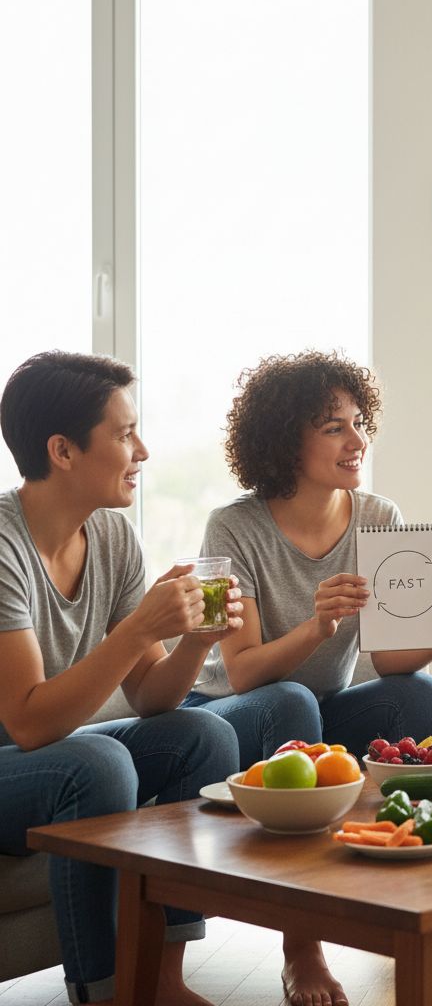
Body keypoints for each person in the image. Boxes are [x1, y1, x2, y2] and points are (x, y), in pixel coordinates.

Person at [182, 349, 432, 1006]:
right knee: (289, 705)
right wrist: (317, 627)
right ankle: (303, 945)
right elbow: (244, 667)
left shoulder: (378, 517)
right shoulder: (235, 527)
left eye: (357, 422)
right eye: (333, 426)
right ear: (287, 441)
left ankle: (424, 917)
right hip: (235, 707)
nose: (356, 440)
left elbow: (391, 663)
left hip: (324, 704)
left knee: (419, 695)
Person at [0, 351, 242, 1006]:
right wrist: (136, 628)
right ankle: (108, 993)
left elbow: (151, 696)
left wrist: (193, 641)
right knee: (97, 763)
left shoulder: (111, 536)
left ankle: (162, 980)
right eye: (124, 433)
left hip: (38, 755)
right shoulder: (3, 545)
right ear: (63, 451)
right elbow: (26, 722)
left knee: (202, 735)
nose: (143, 449)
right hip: (10, 761)